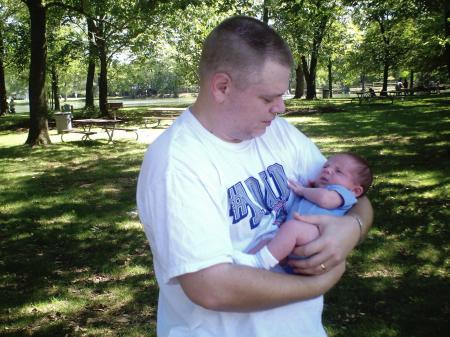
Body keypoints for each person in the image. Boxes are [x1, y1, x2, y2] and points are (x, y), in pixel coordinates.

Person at [136, 16, 373, 337]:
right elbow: (212, 288)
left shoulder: (276, 133)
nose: (281, 108)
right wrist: (319, 282)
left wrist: (352, 228)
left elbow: (354, 196)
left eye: (282, 95)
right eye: (268, 98)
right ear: (222, 87)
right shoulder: (176, 164)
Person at [234, 152, 373, 272]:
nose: (327, 170)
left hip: (317, 238)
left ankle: (259, 263)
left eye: (338, 171)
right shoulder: (316, 189)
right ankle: (242, 264)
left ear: (355, 190)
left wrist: (303, 191)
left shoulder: (344, 194)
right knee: (267, 240)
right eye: (326, 166)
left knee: (292, 228)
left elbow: (325, 199)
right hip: (297, 242)